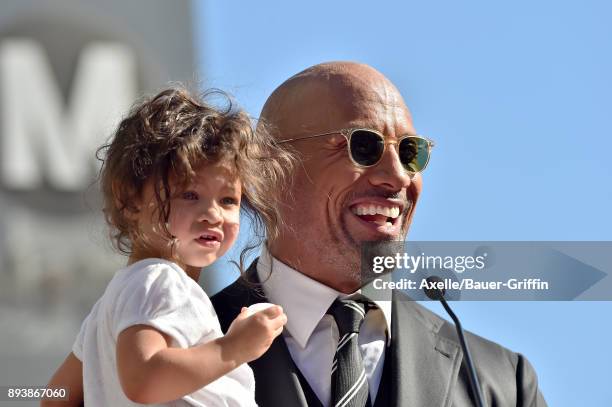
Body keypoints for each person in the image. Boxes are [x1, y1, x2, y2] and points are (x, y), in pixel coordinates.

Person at [211, 62, 548, 406]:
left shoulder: (502, 383)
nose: (398, 176)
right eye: (365, 147)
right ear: (268, 171)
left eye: (409, 152)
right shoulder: (184, 344)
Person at [42, 88, 291, 406]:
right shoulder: (160, 280)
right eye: (189, 195)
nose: (213, 214)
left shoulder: (109, 307)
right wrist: (235, 348)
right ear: (130, 201)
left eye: (228, 200)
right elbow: (144, 381)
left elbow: (54, 397)